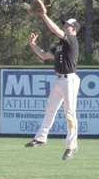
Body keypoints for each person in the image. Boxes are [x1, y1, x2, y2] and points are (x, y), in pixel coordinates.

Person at [25, 12, 81, 161]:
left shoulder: (71, 40)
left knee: (69, 114)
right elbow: (44, 56)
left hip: (70, 80)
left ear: (74, 29)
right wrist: (32, 44)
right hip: (59, 81)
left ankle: (72, 146)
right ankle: (41, 138)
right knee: (49, 110)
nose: (64, 26)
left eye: (67, 25)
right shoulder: (61, 45)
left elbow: (56, 30)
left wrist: (43, 15)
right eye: (64, 25)